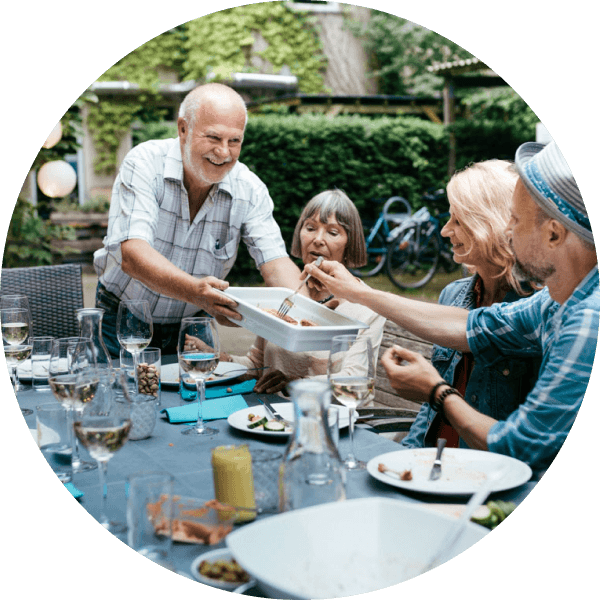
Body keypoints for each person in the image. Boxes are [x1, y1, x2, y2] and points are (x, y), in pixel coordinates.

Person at [305, 141, 598, 478]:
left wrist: (436, 392)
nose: (507, 230)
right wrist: (357, 291)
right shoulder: (553, 303)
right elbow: (472, 326)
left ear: (553, 233)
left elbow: (521, 445)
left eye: (515, 221)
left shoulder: (587, 319)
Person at [93, 83, 301, 356]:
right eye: (213, 138)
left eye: (234, 141)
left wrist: (309, 314)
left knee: (202, 397)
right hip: (123, 319)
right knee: (121, 397)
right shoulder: (144, 163)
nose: (224, 152)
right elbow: (133, 255)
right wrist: (196, 292)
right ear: (183, 129)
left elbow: (276, 262)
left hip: (193, 326)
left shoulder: (250, 189)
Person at [400, 160, 541, 449]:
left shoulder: (537, 308)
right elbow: (431, 408)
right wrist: (407, 455)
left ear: (490, 222)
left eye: (458, 220)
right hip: (434, 464)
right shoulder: (452, 295)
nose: (444, 231)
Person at [221, 190, 386, 395]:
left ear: (350, 244)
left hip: (327, 418)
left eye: (332, 232)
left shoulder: (366, 308)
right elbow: (257, 362)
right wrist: (221, 360)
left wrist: (295, 383)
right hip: (272, 417)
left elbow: (355, 381)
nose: (317, 239)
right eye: (310, 228)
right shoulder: (283, 295)